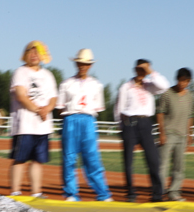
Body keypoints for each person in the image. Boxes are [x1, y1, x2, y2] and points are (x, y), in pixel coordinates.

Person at [56, 49, 113, 202]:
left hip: (88, 120)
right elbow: (60, 107)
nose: (83, 66)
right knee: (69, 158)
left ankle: (103, 193)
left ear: (90, 66)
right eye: (80, 63)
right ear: (76, 63)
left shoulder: (96, 85)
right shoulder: (66, 84)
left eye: (86, 64)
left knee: (92, 158)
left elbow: (98, 108)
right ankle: (71, 193)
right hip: (70, 119)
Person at [114, 59, 170, 202]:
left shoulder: (150, 86)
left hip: (145, 123)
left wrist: (150, 72)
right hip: (129, 123)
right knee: (128, 161)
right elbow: (118, 108)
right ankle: (131, 193)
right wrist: (121, 127)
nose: (141, 73)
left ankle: (157, 194)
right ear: (135, 70)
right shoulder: (126, 87)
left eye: (143, 70)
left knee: (153, 159)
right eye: (139, 69)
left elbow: (165, 86)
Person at [9, 41, 57, 198]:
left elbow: (53, 98)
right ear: (25, 55)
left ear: (43, 56)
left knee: (37, 160)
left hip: (42, 126)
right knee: (20, 159)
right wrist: (39, 110)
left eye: (38, 52)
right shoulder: (20, 72)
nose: (34, 55)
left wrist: (47, 109)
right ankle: (15, 191)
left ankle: (36, 192)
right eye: (31, 51)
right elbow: (21, 95)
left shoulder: (48, 75)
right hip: (25, 125)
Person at [156, 68, 194, 202]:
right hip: (168, 133)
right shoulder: (167, 94)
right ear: (176, 79)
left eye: (185, 81)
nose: (182, 83)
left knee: (179, 166)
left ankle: (174, 192)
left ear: (189, 82)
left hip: (182, 135)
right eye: (180, 80)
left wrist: (189, 133)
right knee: (163, 165)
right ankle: (159, 192)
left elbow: (190, 116)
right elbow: (160, 113)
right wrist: (161, 133)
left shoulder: (190, 97)